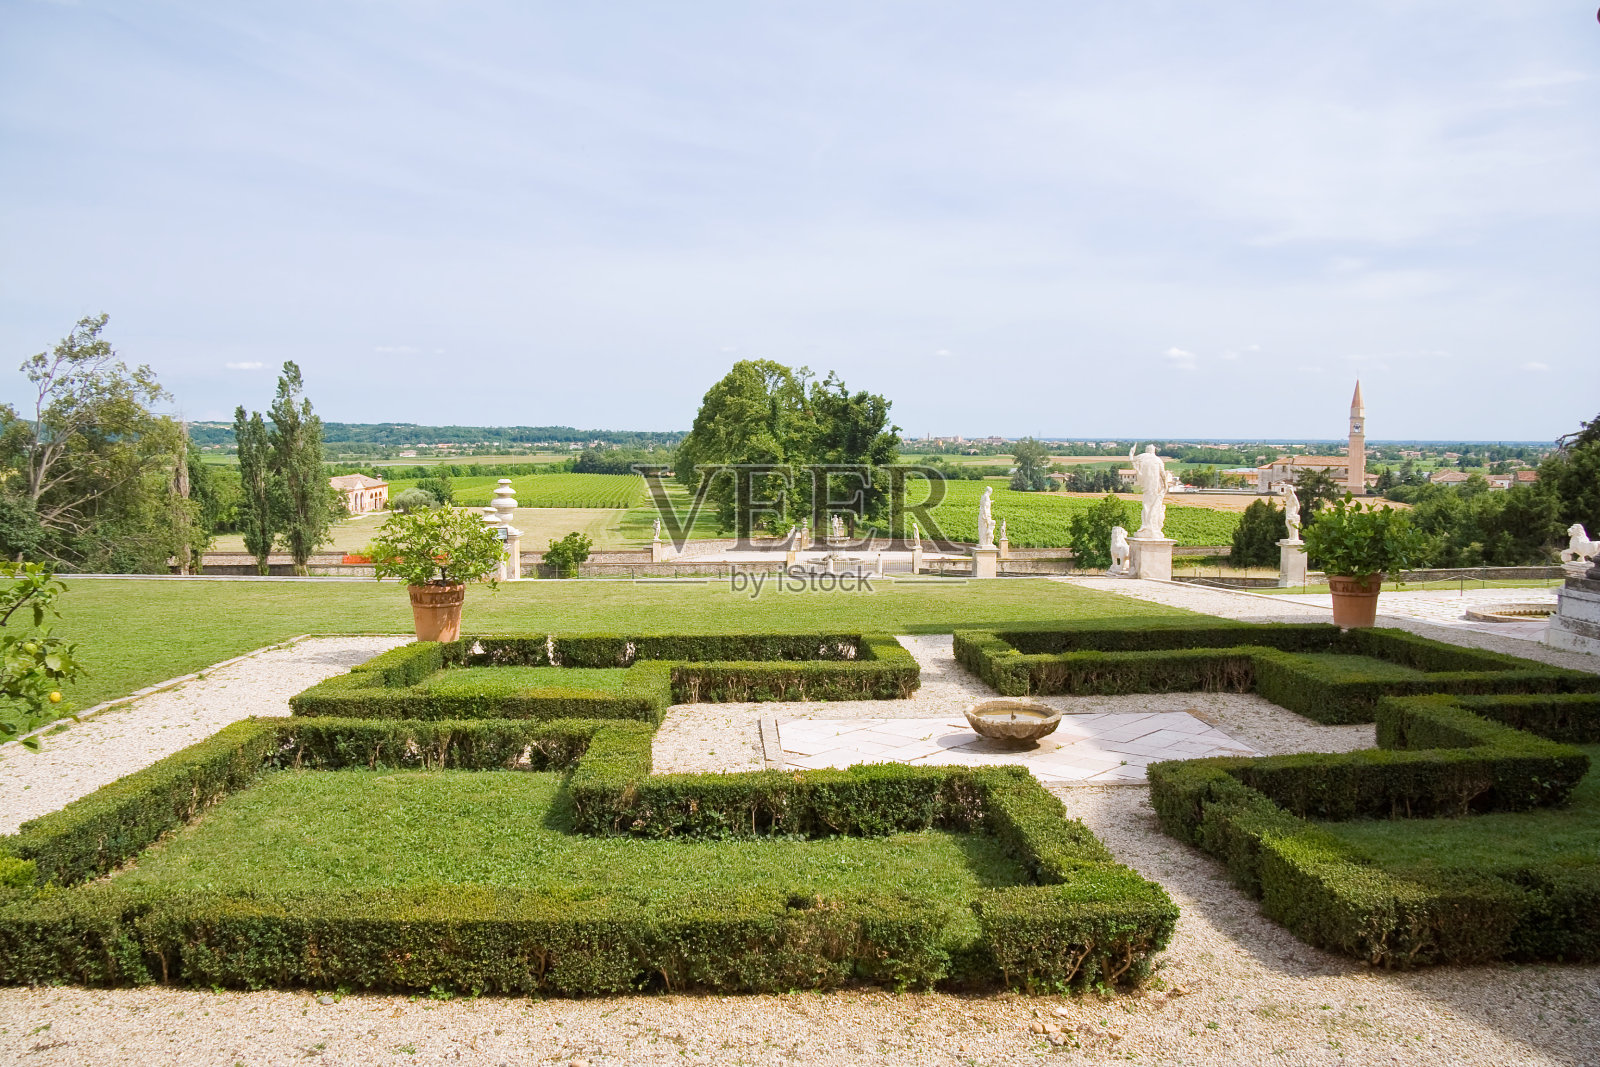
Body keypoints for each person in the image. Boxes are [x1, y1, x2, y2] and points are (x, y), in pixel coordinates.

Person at [1128, 444, 1167, 537]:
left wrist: (1131, 451)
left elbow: (1131, 459)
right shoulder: (1158, 460)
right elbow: (1163, 474)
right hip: (1155, 486)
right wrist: (1165, 484)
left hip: (1146, 485)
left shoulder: (1142, 457)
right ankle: (1151, 526)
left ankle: (1147, 525)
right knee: (1154, 505)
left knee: (1146, 504)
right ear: (1153, 451)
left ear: (1146, 450)